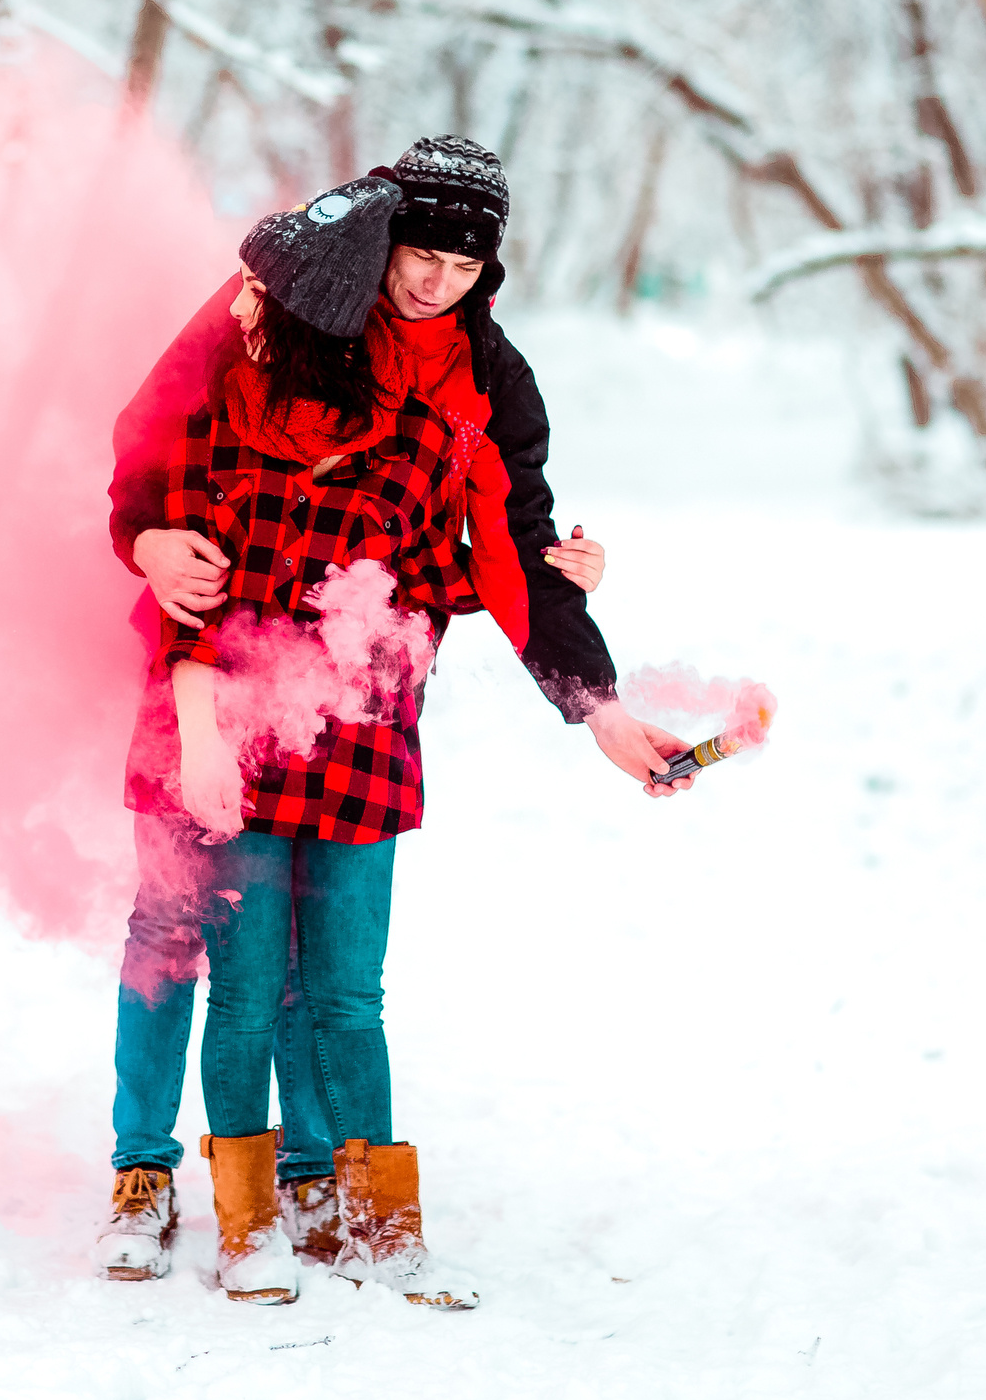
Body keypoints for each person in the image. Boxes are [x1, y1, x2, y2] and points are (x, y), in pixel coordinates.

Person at [93, 143, 695, 1306]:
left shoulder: (482, 385)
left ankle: (310, 1177)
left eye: (460, 264)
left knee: (313, 964)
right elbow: (155, 435)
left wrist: (598, 704)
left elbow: (496, 555)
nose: (431, 283)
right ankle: (142, 1167)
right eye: (416, 255)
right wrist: (148, 539)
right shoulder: (281, 311)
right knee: (177, 936)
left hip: (353, 697)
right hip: (209, 666)